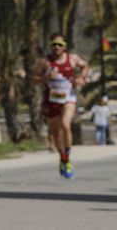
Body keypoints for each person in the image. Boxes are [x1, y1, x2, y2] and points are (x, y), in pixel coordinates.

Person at [32, 33, 88, 179]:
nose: (57, 47)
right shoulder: (45, 62)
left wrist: (82, 78)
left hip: (68, 97)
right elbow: (34, 79)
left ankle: (67, 155)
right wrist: (45, 77)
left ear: (65, 46)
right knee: (56, 134)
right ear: (50, 46)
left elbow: (85, 66)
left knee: (65, 124)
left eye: (60, 45)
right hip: (51, 100)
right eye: (54, 44)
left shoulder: (73, 59)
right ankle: (63, 157)